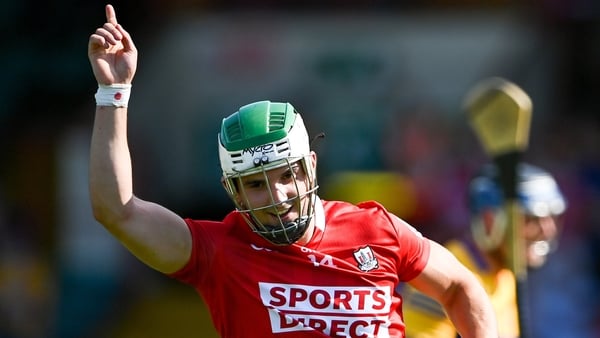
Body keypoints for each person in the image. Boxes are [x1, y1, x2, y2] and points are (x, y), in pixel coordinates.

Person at [87, 4, 497, 337]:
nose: (279, 195)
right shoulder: (218, 252)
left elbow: (463, 288)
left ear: (311, 166)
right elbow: (116, 210)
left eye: (287, 175)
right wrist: (113, 95)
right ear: (234, 193)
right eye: (256, 185)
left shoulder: (378, 230)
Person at [400, 162, 567, 338]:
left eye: (552, 218)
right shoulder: (441, 277)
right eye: (530, 219)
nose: (548, 230)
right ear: (490, 220)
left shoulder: (506, 273)